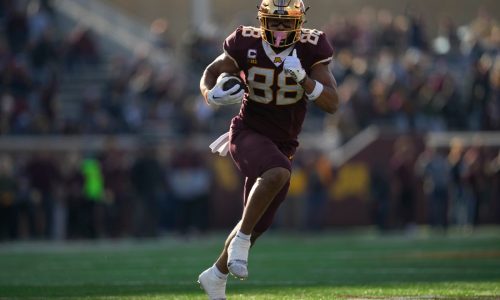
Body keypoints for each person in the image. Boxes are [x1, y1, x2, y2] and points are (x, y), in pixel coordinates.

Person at [197, 1, 338, 299]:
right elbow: (211, 71)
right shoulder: (245, 42)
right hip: (248, 131)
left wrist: (305, 80)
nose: (279, 29)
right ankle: (241, 244)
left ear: (299, 23)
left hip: (284, 142)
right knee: (277, 173)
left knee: (259, 220)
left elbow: (332, 103)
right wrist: (211, 95)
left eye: (286, 23)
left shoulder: (312, 47)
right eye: (273, 22)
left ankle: (216, 275)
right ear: (262, 21)